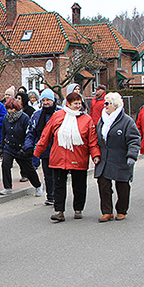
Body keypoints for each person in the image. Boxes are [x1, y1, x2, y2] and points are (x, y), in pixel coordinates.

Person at [34, 92, 100, 222]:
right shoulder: (58, 116)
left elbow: (92, 140)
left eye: (80, 104)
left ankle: (78, 209)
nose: (78, 106)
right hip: (59, 157)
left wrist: (95, 155)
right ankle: (59, 211)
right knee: (59, 186)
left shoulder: (86, 119)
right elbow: (46, 135)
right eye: (75, 104)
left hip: (78, 156)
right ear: (68, 104)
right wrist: (36, 153)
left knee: (79, 185)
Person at [94, 93, 140, 222]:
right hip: (105, 159)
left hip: (121, 158)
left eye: (107, 103)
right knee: (103, 184)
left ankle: (121, 210)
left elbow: (134, 140)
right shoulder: (101, 120)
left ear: (115, 105)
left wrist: (132, 156)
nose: (105, 106)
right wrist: (95, 154)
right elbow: (96, 139)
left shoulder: (127, 121)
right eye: (104, 103)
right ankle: (107, 211)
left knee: (122, 186)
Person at [0, 98, 43, 196]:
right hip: (9, 146)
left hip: (21, 147)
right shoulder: (6, 118)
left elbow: (28, 134)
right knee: (5, 165)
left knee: (28, 168)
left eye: (12, 109)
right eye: (8, 109)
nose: (10, 111)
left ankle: (38, 185)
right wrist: (2, 147)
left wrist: (27, 147)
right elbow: (4, 133)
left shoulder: (24, 118)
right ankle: (8, 187)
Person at [25, 88, 60, 205]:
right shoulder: (37, 115)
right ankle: (50, 196)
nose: (46, 103)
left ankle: (58, 195)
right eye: (43, 100)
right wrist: (28, 146)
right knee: (48, 175)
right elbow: (31, 132)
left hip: (59, 150)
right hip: (45, 149)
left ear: (53, 100)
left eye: (48, 100)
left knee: (58, 175)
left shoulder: (60, 113)